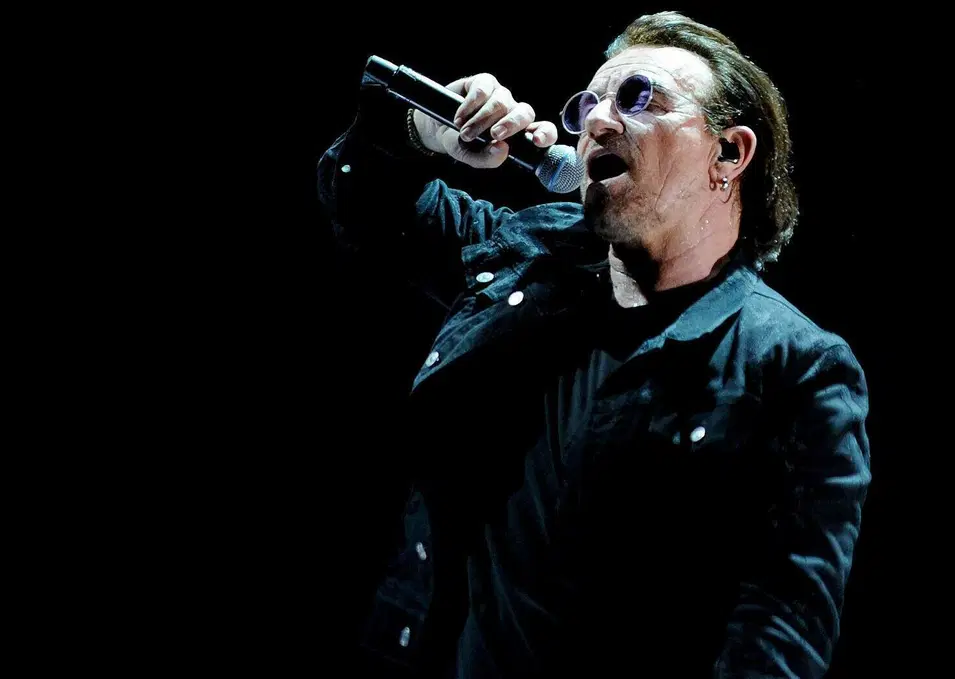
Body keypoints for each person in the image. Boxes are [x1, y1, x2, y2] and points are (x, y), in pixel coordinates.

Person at [316, 11, 870, 679]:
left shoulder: (796, 369)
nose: (597, 121)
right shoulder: (526, 260)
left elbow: (781, 624)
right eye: (587, 105)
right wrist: (419, 130)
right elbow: (367, 206)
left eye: (639, 98)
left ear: (729, 154)